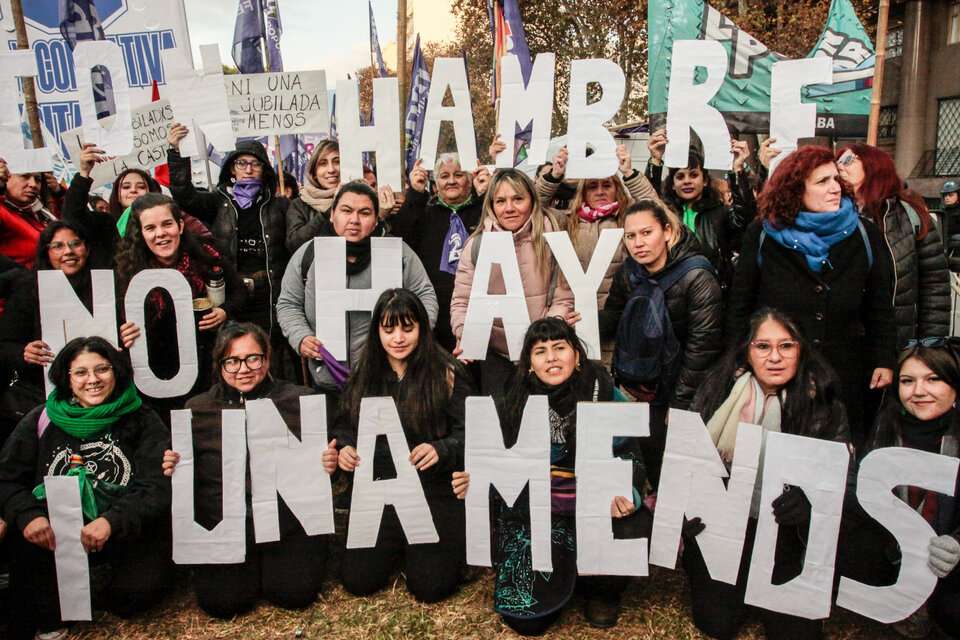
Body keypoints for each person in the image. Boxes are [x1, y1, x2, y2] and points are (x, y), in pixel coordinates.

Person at [451, 317, 651, 634]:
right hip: (536, 514)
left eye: (560, 348)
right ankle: (562, 574)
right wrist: (477, 480)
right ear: (529, 364)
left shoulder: (605, 392)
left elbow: (631, 454)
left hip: (590, 506)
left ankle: (600, 591)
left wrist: (627, 492)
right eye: (541, 351)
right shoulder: (512, 401)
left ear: (577, 355)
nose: (552, 358)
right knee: (528, 621)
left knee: (634, 522)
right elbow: (495, 463)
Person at [686, 308, 851, 640]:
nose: (774, 357)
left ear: (801, 349)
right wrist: (688, 509)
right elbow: (686, 457)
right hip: (728, 527)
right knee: (715, 622)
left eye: (786, 346)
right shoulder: (718, 390)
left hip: (789, 535)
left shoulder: (825, 402)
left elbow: (844, 476)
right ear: (747, 351)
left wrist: (811, 502)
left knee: (795, 633)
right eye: (763, 346)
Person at [0, 336, 172, 639]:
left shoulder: (142, 418)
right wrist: (29, 517)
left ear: (116, 372)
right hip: (54, 539)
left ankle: (97, 582)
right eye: (81, 372)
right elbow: (7, 478)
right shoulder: (40, 419)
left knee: (135, 596)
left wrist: (111, 521)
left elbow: (155, 486)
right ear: (66, 377)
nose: (92, 380)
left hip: (121, 534)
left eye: (102, 369)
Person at [726, 145, 897, 446]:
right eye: (822, 182)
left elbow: (879, 305)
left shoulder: (864, 233)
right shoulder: (762, 234)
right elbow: (741, 303)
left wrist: (884, 359)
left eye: (835, 179)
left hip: (846, 373)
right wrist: (740, 358)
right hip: (779, 374)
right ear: (795, 190)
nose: (835, 188)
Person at [161, 322, 331, 618]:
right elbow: (181, 470)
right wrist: (173, 464)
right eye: (232, 361)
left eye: (253, 358)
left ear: (267, 359)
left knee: (294, 593)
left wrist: (331, 460)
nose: (244, 369)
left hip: (285, 521)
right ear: (219, 364)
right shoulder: (196, 409)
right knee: (223, 603)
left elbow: (331, 446)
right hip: (227, 522)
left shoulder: (300, 400)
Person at [329, 288, 471, 602]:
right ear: (377, 330)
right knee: (358, 580)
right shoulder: (363, 375)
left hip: (431, 490)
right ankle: (394, 547)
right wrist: (346, 450)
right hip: (378, 491)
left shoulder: (446, 373)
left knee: (431, 587)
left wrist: (441, 449)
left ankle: (427, 549)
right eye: (389, 328)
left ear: (422, 327)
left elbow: (470, 433)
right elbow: (344, 426)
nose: (398, 338)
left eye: (408, 328)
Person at [841, 339, 960, 639]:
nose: (919, 391)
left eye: (933, 379)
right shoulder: (886, 425)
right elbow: (863, 496)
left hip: (950, 560)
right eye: (908, 381)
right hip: (896, 552)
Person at [598, 200, 723, 487]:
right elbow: (615, 318)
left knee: (680, 477)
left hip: (682, 392)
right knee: (649, 468)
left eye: (647, 233)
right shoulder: (629, 272)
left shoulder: (697, 276)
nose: (638, 243)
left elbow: (702, 350)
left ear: (667, 232)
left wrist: (678, 406)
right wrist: (582, 321)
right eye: (631, 236)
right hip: (641, 389)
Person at [277, 181, 438, 394]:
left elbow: (424, 295)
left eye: (364, 213)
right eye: (346, 211)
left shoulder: (398, 252)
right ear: (332, 214)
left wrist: (410, 337)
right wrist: (301, 337)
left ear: (376, 219)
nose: (354, 220)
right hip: (328, 379)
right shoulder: (309, 254)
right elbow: (288, 303)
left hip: (388, 380)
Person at [165, 124, 291, 378]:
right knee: (235, 355)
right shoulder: (217, 202)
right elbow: (183, 195)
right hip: (232, 295)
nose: (248, 169)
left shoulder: (279, 206)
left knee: (266, 357)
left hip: (268, 295)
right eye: (241, 163)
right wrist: (176, 151)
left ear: (264, 170)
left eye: (254, 164)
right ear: (231, 169)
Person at [116, 194, 247, 422]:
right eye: (150, 228)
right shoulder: (127, 272)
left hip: (207, 370)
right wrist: (121, 334)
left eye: (167, 224)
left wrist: (224, 311)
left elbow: (239, 293)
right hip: (156, 380)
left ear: (180, 225)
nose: (161, 234)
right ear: (141, 234)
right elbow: (116, 324)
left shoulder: (207, 257)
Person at [450, 169, 575, 394]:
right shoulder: (475, 246)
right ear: (491, 205)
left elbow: (564, 296)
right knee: (501, 422)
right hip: (496, 358)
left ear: (532, 200)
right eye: (500, 201)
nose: (509, 208)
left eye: (518, 199)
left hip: (544, 352)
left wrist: (544, 337)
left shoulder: (552, 238)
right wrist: (464, 333)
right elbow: (461, 302)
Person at [0, 222, 114, 442]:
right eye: (58, 246)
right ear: (46, 252)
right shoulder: (27, 289)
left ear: (87, 249)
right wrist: (24, 353)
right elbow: (5, 345)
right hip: (42, 399)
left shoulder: (106, 286)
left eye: (75, 244)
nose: (68, 252)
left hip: (102, 400)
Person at [836, 144, 950, 347]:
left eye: (848, 160)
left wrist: (931, 343)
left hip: (898, 341)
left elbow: (934, 285)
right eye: (838, 161)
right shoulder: (828, 213)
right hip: (843, 344)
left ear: (873, 166)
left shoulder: (909, 215)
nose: (839, 166)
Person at [536, 143, 662, 312]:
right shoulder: (566, 220)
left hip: (621, 315)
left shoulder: (628, 217)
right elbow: (533, 208)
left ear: (616, 188)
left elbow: (657, 209)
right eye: (593, 186)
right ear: (584, 192)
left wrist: (629, 173)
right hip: (577, 316)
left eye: (607, 185)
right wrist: (554, 176)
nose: (600, 191)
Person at [388, 153, 485, 351]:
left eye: (458, 175)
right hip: (434, 311)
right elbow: (400, 238)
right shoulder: (424, 212)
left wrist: (486, 195)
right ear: (435, 181)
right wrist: (415, 193)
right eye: (444, 176)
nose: (451, 181)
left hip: (475, 309)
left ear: (469, 179)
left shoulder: (483, 210)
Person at [645, 130, 754, 285]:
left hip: (713, 290)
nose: (687, 181)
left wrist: (737, 169)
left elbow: (745, 219)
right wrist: (655, 160)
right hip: (670, 291)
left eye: (694, 175)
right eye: (680, 176)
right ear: (673, 184)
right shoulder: (666, 214)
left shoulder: (720, 213)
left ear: (705, 181)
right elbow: (648, 202)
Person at [285, 139, 340, 253]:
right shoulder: (299, 204)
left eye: (337, 161)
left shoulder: (360, 199)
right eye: (323, 163)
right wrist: (328, 211)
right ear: (314, 172)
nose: (331, 169)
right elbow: (294, 245)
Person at [0, 172, 56, 269]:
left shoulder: (41, 212)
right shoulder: (3, 212)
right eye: (24, 176)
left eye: (38, 179)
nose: (33, 184)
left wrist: (58, 192)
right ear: (5, 177)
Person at [940, 180, 960, 273]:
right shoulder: (942, 213)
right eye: (945, 195)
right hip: (945, 253)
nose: (947, 198)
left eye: (950, 195)